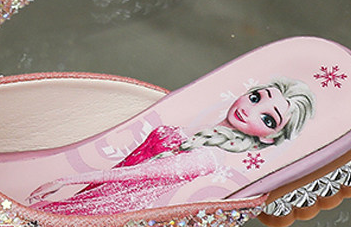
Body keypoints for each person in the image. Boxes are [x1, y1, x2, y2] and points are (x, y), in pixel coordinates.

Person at [30, 78, 316, 216]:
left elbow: (133, 175)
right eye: (255, 98)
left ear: (269, 138)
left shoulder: (209, 158)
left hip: (110, 206)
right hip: (99, 191)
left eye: (267, 119)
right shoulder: (197, 132)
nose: (250, 110)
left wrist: (67, 180)